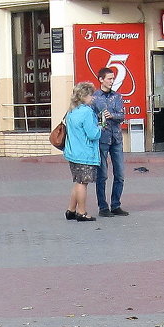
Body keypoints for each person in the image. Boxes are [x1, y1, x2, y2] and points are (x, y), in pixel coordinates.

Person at [90, 67, 128, 218]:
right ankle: (103, 206)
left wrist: (111, 115)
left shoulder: (117, 97)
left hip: (116, 138)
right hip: (102, 139)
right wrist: (100, 118)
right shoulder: (94, 98)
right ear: (101, 79)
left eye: (113, 78)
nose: (112, 81)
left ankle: (116, 204)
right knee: (102, 174)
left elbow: (121, 115)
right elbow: (91, 118)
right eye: (109, 79)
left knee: (119, 173)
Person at [62, 82, 102, 222]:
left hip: (72, 152)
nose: (93, 98)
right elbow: (92, 134)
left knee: (77, 181)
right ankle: (82, 212)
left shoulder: (72, 110)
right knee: (82, 183)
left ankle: (71, 210)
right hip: (85, 153)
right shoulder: (87, 112)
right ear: (84, 96)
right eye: (91, 95)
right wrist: (101, 127)